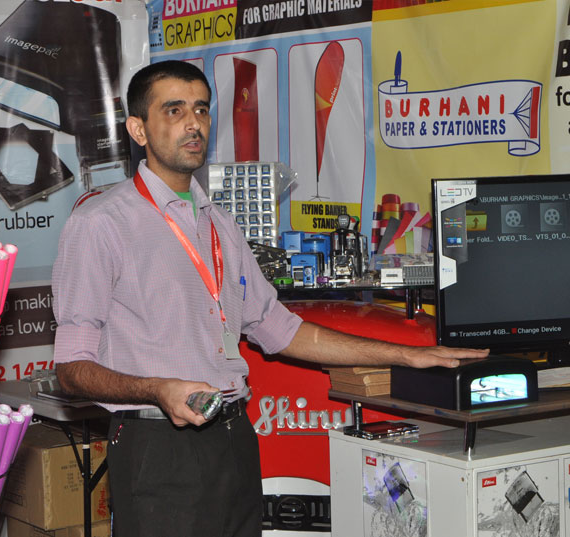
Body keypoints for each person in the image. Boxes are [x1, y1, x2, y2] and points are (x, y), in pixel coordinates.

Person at [51, 60, 488, 537]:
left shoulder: (220, 224)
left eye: (201, 109)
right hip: (157, 445)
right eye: (174, 110)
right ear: (138, 129)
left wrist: (408, 355)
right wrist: (158, 389)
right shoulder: (101, 224)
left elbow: (283, 330)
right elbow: (72, 369)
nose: (193, 123)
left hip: (235, 438)